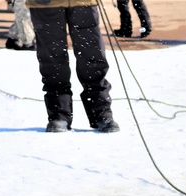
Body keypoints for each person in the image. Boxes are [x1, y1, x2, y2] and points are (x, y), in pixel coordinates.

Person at [26, 0, 118, 133]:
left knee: (92, 56)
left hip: (83, 3)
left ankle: (101, 113)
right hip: (46, 4)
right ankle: (59, 114)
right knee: (52, 59)